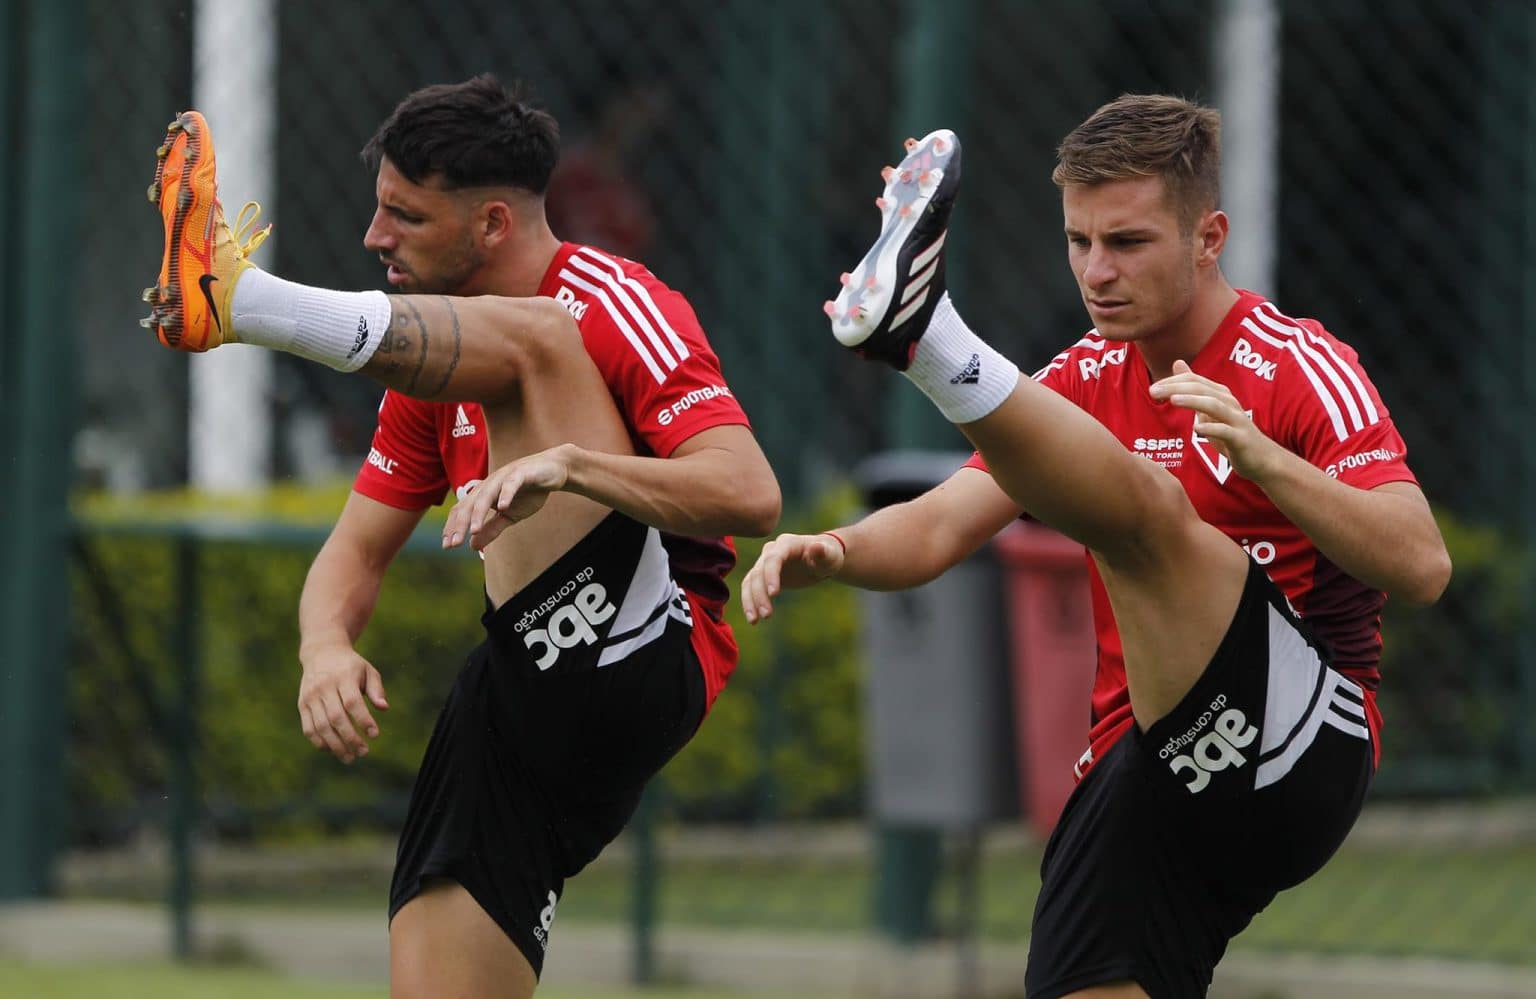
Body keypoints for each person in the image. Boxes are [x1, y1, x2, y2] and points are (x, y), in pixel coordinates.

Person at [744, 99, 1450, 997]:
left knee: (1143, 511)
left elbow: (1423, 564)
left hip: (1300, 747)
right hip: (1143, 771)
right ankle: (927, 332)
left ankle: (928, 337)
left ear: (1209, 237)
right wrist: (835, 550)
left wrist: (1266, 461)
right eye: (1078, 241)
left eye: (1127, 242)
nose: (1095, 271)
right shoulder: (1082, 376)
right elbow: (936, 524)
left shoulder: (1298, 365)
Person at [141, 75, 780, 998]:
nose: (374, 239)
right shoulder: (428, 372)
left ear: (491, 224)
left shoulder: (612, 303)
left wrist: (572, 467)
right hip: (519, 678)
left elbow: (750, 493)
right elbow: (354, 554)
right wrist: (324, 648)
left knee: (535, 341)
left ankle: (238, 303)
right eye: (378, 210)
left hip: (648, 648)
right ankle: (231, 303)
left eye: (405, 216)